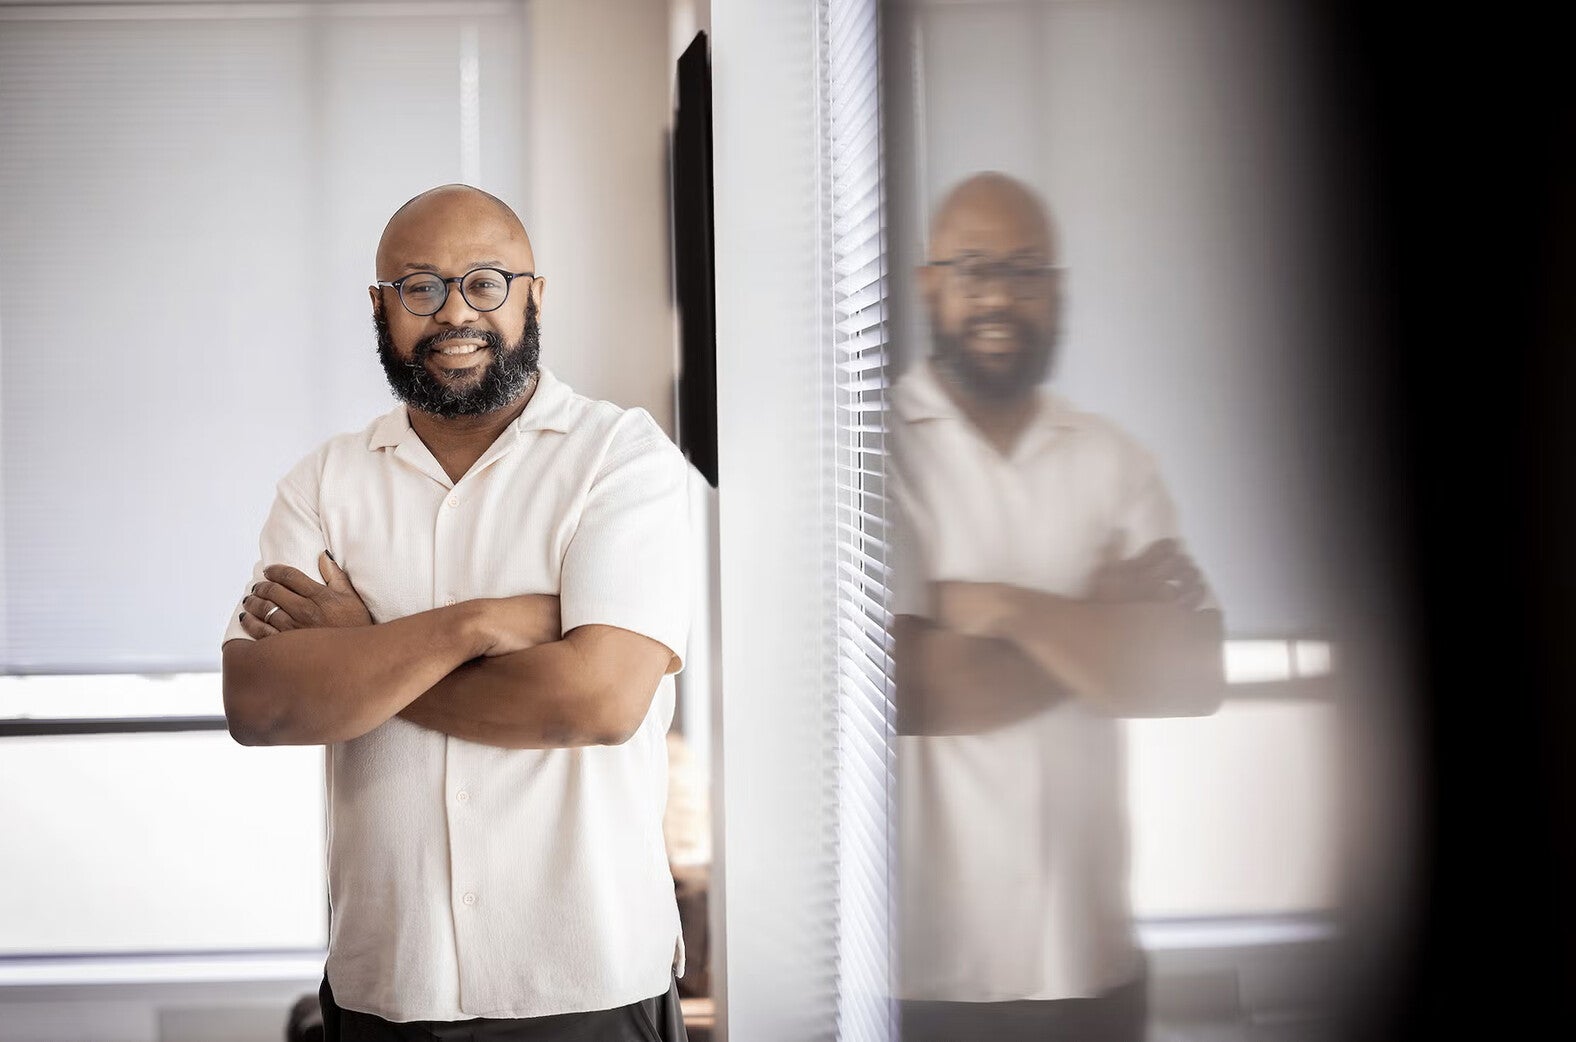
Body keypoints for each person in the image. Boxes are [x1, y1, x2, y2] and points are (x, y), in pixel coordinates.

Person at [222, 184, 691, 1042]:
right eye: (420, 287)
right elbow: (263, 705)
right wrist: (473, 627)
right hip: (388, 984)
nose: (454, 313)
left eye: (485, 282)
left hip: (587, 987)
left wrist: (361, 655)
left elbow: (596, 704)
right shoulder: (325, 483)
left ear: (533, 295)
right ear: (380, 306)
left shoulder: (622, 460)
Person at [891, 172, 1227, 1042]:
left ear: (1060, 291)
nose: (999, 294)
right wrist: (1102, 630)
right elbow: (917, 690)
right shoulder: (873, 452)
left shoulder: (1115, 460)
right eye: (971, 268)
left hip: (1094, 960)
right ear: (930, 283)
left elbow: (1188, 674)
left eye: (1027, 269)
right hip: (931, 973)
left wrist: (997, 607)